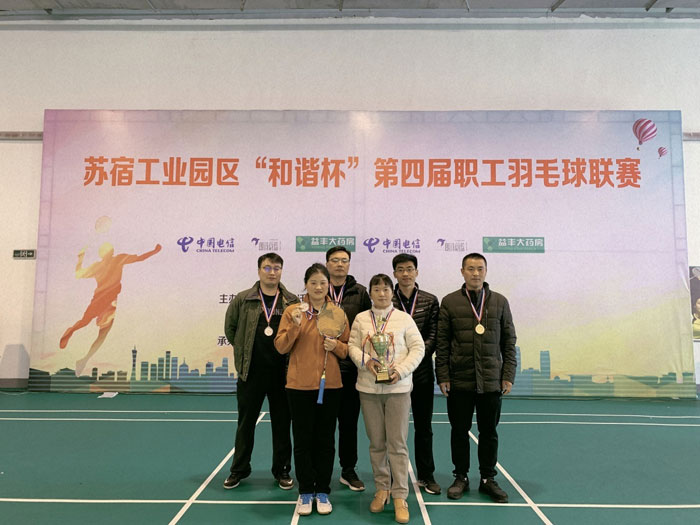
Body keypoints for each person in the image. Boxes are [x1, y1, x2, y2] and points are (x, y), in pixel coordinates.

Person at [435, 253, 517, 503]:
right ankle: (460, 476)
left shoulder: (500, 302)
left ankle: (487, 479)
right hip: (460, 380)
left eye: (480, 268)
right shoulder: (450, 302)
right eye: (470, 269)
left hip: (491, 381)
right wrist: (443, 375)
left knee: (489, 432)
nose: (475, 273)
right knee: (459, 431)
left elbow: (509, 341)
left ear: (486, 271)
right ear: (462, 272)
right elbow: (442, 343)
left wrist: (508, 374)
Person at [275, 263, 350, 516]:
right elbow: (281, 347)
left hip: (331, 386)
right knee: (303, 440)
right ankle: (306, 490)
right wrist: (295, 326)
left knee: (326, 441)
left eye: (323, 283)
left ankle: (323, 491)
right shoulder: (293, 311)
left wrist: (336, 347)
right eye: (313, 283)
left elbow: (347, 348)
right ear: (306, 285)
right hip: (299, 386)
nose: (318, 287)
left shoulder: (337, 312)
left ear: (329, 285)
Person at [349, 274, 424, 524]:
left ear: (392, 292)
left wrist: (399, 371)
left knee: (397, 444)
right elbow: (352, 346)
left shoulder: (404, 318)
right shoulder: (361, 319)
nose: (381, 294)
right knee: (376, 443)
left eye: (386, 289)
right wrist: (366, 361)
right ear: (370, 293)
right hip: (368, 389)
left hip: (398, 390)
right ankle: (382, 489)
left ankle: (400, 495)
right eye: (377, 289)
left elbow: (418, 348)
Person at [223, 253, 298, 491]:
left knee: (282, 425)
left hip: (282, 374)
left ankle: (282, 470)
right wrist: (245, 352)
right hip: (251, 373)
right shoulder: (243, 299)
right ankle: (239, 469)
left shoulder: (292, 301)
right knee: (246, 424)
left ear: (281, 271)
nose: (272, 272)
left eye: (276, 268)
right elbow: (231, 330)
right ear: (259, 271)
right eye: (267, 268)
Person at [59, 242, 161, 376]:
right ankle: (80, 350)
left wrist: (80, 258)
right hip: (106, 302)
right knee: (98, 331)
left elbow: (78, 274)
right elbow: (140, 258)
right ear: (109, 252)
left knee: (90, 326)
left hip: (103, 302)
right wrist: (154, 251)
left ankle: (82, 355)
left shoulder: (101, 265)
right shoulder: (117, 260)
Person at [391, 253, 441, 495]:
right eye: (401, 269)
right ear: (394, 274)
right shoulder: (386, 299)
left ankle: (426, 475)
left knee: (423, 426)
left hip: (421, 372)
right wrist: (400, 362)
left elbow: (434, 334)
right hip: (393, 373)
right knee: (394, 429)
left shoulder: (430, 301)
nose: (406, 273)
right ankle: (393, 476)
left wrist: (415, 357)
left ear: (416, 272)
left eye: (410, 269)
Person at [325, 246, 372, 491]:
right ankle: (321, 471)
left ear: (349, 264)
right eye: (335, 260)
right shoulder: (318, 289)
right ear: (327, 264)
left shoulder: (361, 293)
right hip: (323, 368)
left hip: (352, 368)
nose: (340, 264)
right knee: (323, 424)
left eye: (344, 260)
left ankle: (348, 470)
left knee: (348, 424)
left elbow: (368, 328)